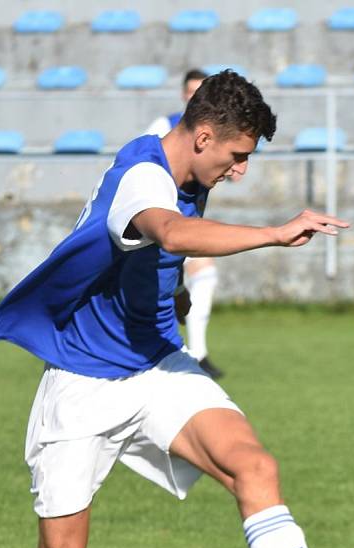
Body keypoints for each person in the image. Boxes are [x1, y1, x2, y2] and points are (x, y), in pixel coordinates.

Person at [0, 70, 354, 548]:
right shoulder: (143, 177)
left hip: (156, 369)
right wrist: (273, 232)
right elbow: (171, 235)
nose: (239, 171)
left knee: (254, 467)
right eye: (236, 157)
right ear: (203, 136)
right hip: (83, 384)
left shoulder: (189, 168)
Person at [146, 68, 224, 379]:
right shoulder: (163, 127)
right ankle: (177, 352)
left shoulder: (215, 133)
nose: (194, 97)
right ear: (183, 94)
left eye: (200, 92)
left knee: (204, 277)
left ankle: (198, 352)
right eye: (190, 92)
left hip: (187, 219)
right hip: (159, 220)